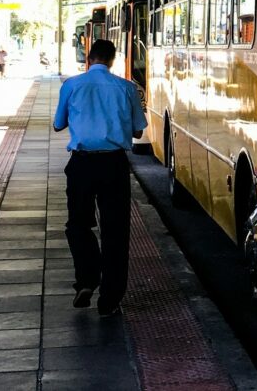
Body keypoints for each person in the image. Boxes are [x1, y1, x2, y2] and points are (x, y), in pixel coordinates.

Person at [53, 39, 146, 316]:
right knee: (115, 231)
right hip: (114, 165)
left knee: (78, 225)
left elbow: (59, 124)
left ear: (89, 59)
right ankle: (109, 300)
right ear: (113, 60)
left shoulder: (71, 85)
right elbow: (139, 132)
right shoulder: (127, 87)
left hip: (81, 164)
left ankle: (87, 278)